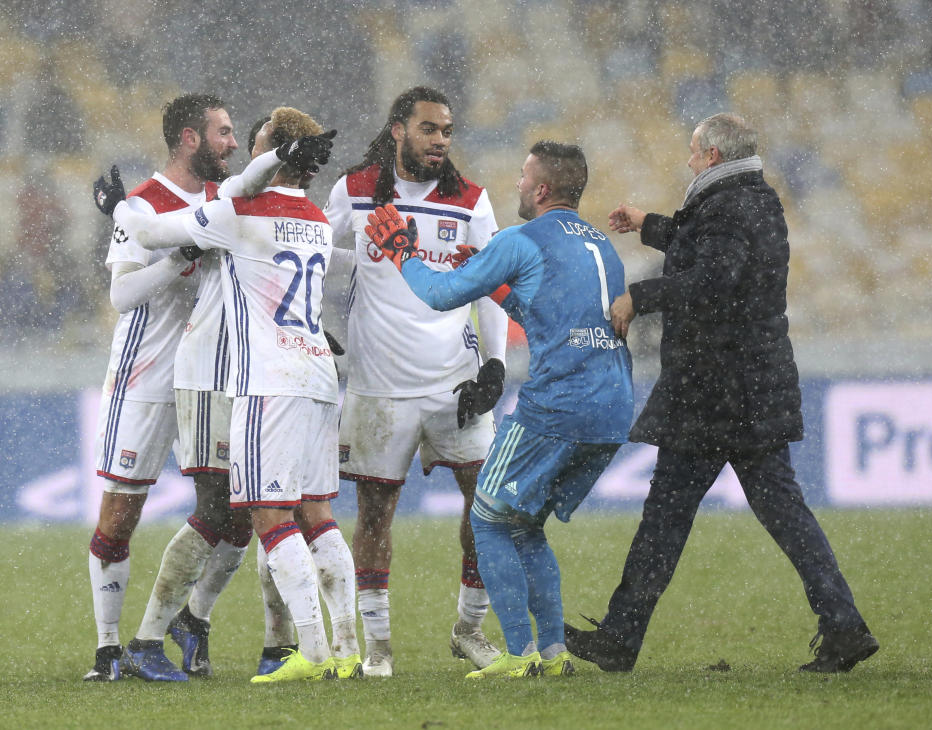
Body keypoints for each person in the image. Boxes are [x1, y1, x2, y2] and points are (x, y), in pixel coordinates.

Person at [564, 113, 879, 674]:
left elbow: (712, 278)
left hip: (717, 393)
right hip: (748, 389)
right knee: (781, 516)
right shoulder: (749, 199)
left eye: (692, 152)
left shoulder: (729, 207)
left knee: (665, 520)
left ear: (711, 156)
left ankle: (620, 637)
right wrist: (649, 224)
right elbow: (704, 248)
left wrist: (640, 296)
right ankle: (844, 625)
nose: (687, 161)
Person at [99, 106, 359, 683]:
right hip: (226, 373)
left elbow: (153, 230)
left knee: (254, 516)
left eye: (255, 141)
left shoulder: (236, 208)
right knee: (231, 511)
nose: (240, 145)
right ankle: (157, 635)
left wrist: (115, 211)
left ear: (273, 155)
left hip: (256, 376)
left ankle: (272, 642)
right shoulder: (307, 215)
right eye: (229, 133)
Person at [364, 140, 634, 678]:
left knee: (488, 519)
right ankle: (554, 655)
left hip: (558, 405)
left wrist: (402, 253)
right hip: (613, 406)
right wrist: (502, 291)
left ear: (541, 188)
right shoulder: (601, 245)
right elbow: (551, 319)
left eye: (522, 175)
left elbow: (441, 295)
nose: (515, 184)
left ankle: (518, 656)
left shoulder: (520, 238)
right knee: (525, 524)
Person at [323, 86, 508, 677]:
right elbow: (317, 265)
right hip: (380, 386)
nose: (441, 141)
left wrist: (495, 366)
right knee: (375, 512)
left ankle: (469, 630)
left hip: (456, 380)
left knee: (487, 505)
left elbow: (496, 287)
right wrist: (324, 335)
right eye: (429, 129)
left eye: (448, 131)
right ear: (398, 129)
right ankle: (377, 646)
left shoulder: (471, 201)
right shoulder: (353, 191)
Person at [83, 93, 238, 683]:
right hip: (146, 376)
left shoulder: (224, 202)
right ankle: (108, 650)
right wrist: (179, 259)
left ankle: (187, 617)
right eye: (223, 132)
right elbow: (122, 297)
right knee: (120, 518)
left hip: (210, 378)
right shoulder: (146, 203)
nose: (232, 142)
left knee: (237, 512)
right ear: (190, 139)